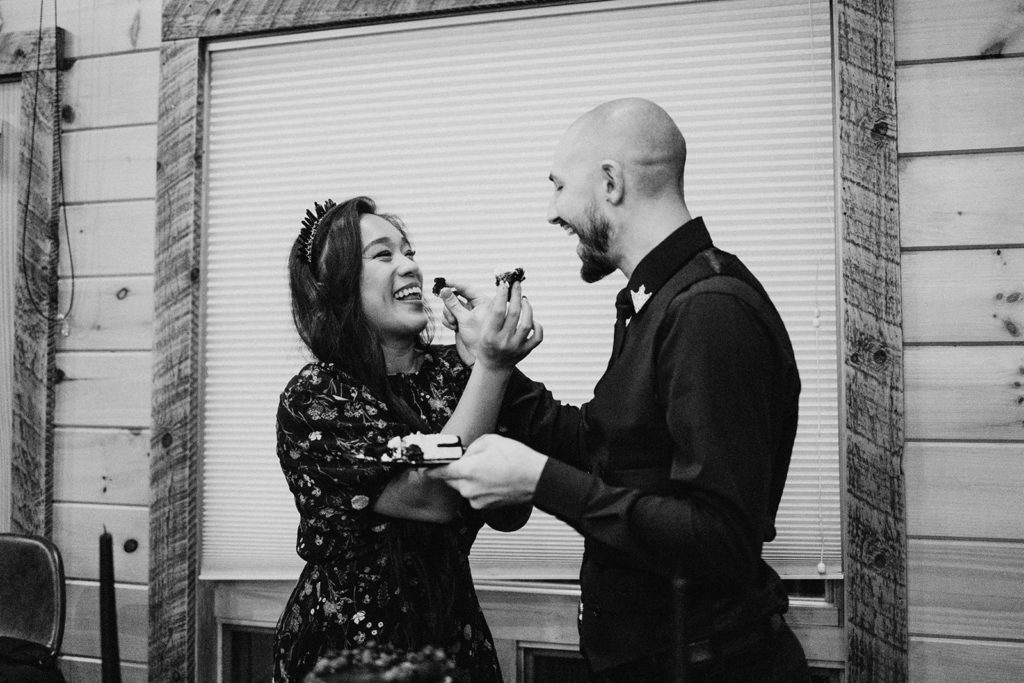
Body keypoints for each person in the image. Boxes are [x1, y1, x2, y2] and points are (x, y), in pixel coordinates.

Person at [430, 98, 812, 682]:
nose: (551, 211)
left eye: (559, 187)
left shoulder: (709, 311)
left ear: (610, 182)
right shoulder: (652, 301)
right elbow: (604, 446)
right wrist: (493, 359)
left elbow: (720, 539)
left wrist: (537, 481)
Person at [273, 196, 541, 682]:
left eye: (409, 251)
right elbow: (432, 499)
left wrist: (483, 365)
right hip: (349, 655)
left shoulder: (454, 372)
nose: (410, 265)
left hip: (454, 641)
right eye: (383, 255)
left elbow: (510, 511)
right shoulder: (315, 397)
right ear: (339, 288)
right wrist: (491, 367)